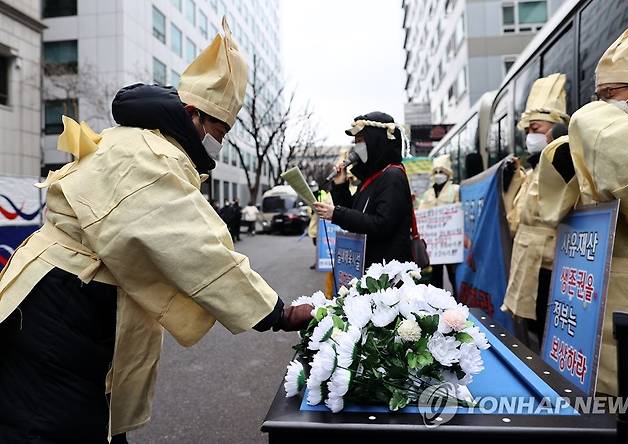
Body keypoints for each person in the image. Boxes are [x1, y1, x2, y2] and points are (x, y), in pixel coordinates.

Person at [0, 18, 312, 443]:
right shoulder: (152, 155)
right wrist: (276, 312)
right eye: (219, 130)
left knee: (73, 412)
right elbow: (196, 248)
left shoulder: (141, 142)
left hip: (62, 291)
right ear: (192, 115)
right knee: (50, 421)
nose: (219, 142)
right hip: (65, 299)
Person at [567, 11, 628, 441]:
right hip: (612, 308)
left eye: (612, 94)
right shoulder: (626, 127)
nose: (601, 105)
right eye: (597, 96)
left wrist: (587, 123)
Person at [502, 73, 576, 348]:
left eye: (537, 128)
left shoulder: (564, 161)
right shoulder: (531, 170)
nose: (531, 135)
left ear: (556, 129)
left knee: (549, 333)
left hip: (550, 263)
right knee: (531, 332)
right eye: (528, 130)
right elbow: (514, 219)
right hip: (527, 261)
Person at [313, 112, 413, 268]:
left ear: (377, 141)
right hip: (369, 266)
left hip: (387, 272)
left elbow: (382, 225)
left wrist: (336, 214)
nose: (357, 147)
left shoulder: (392, 175)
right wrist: (340, 186)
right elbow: (356, 213)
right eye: (355, 142)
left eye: (361, 140)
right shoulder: (373, 177)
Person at [418, 154, 460, 290]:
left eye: (441, 171)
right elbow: (421, 213)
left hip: (450, 244)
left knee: (454, 276)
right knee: (435, 278)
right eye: (435, 172)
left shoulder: (455, 190)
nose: (438, 175)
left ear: (448, 173)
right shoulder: (428, 193)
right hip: (435, 246)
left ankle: (457, 302)